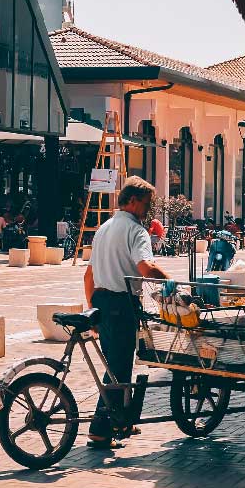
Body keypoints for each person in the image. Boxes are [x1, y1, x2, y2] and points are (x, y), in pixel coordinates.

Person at [86, 176, 170, 450]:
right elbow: (145, 267)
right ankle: (100, 429)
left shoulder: (104, 227)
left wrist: (93, 310)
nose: (148, 211)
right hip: (122, 304)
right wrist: (170, 283)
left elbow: (88, 275)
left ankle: (121, 421)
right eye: (146, 204)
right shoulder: (136, 231)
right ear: (133, 201)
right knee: (119, 368)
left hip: (101, 300)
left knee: (116, 364)